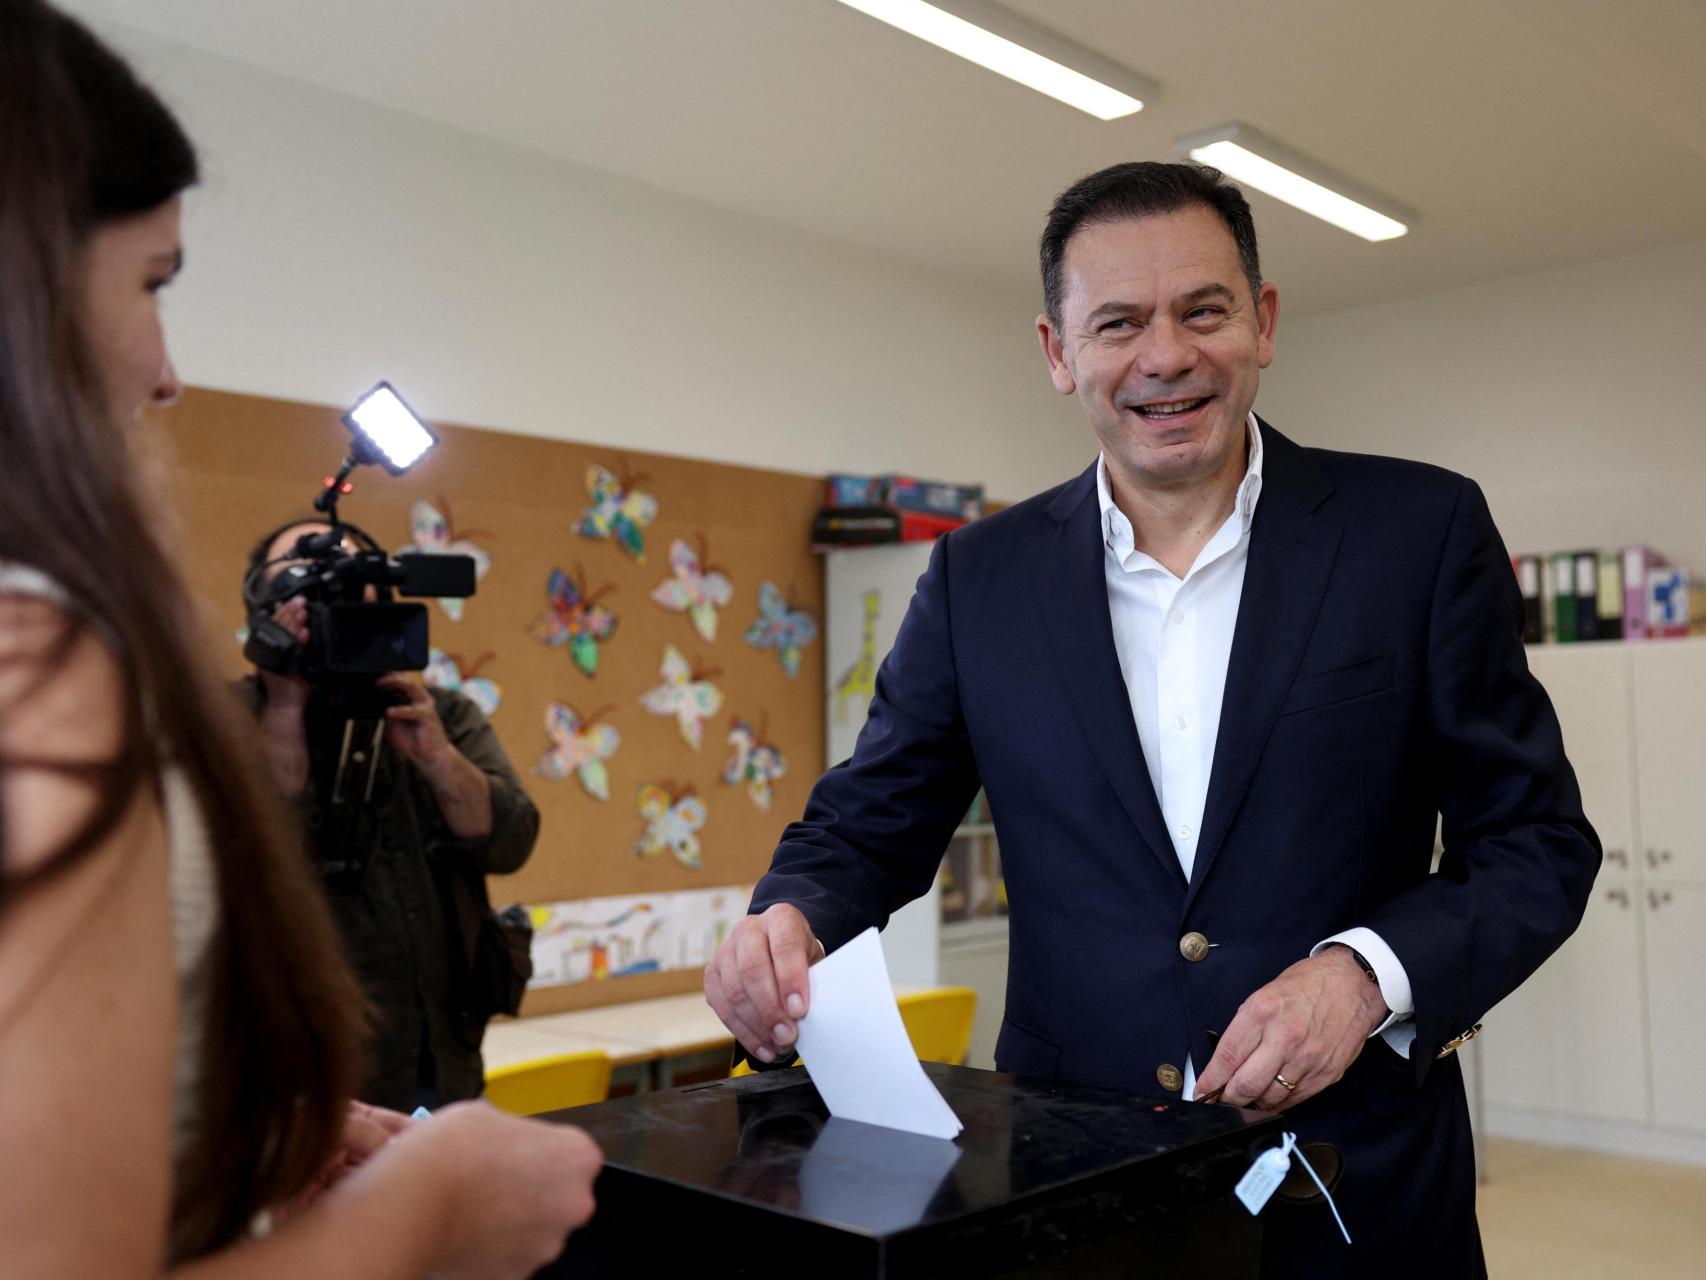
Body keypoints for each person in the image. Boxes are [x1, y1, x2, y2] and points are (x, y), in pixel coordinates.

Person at [704, 161, 1600, 1278]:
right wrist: (789, 916)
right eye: (1117, 322)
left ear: (1261, 322)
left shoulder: (1413, 533)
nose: (1163, 356)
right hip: (1073, 1184)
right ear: (1056, 351)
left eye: (1201, 311)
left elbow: (1533, 841)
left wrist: (1365, 975)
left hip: (1354, 1180)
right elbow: (870, 817)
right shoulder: (977, 577)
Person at [0, 3, 600, 1274]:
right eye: (151, 282)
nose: (167, 372)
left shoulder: (406, 704)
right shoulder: (47, 687)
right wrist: (434, 1215)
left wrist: (261, 1131)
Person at [237, 523, 541, 1110]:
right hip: (290, 1074)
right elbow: (254, 858)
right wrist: (284, 709)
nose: (325, 598)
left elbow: (512, 841)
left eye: (346, 580)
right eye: (300, 580)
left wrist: (436, 756)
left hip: (439, 1057)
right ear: (263, 606)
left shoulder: (443, 713)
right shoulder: (230, 717)